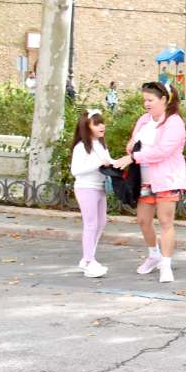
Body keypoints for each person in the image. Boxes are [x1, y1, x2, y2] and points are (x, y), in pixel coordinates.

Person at [112, 81, 186, 284]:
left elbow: (163, 151)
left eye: (150, 100)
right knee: (143, 221)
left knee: (165, 222)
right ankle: (153, 254)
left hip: (167, 179)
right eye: (144, 100)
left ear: (164, 99)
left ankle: (166, 264)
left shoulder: (174, 122)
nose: (146, 104)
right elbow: (132, 145)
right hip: (144, 180)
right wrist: (131, 150)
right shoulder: (144, 120)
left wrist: (134, 157)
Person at [70, 109, 114, 278]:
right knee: (91, 224)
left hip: (100, 187)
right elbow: (76, 170)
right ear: (86, 127)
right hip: (85, 188)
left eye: (102, 122)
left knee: (101, 222)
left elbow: (107, 161)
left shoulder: (101, 145)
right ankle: (89, 261)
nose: (102, 126)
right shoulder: (81, 147)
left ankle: (88, 257)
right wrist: (97, 164)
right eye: (96, 123)